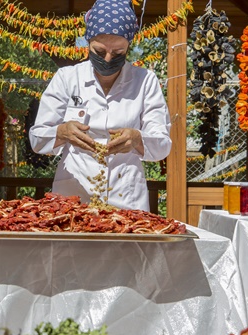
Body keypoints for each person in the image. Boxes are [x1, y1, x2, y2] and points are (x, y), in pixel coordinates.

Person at [29, 0, 172, 211]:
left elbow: (162, 144)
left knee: (127, 241)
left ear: (129, 47)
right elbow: (37, 138)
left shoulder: (145, 80)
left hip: (126, 197)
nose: (107, 58)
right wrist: (62, 132)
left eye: (118, 53)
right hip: (73, 195)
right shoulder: (67, 78)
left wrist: (137, 139)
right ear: (87, 42)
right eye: (99, 51)